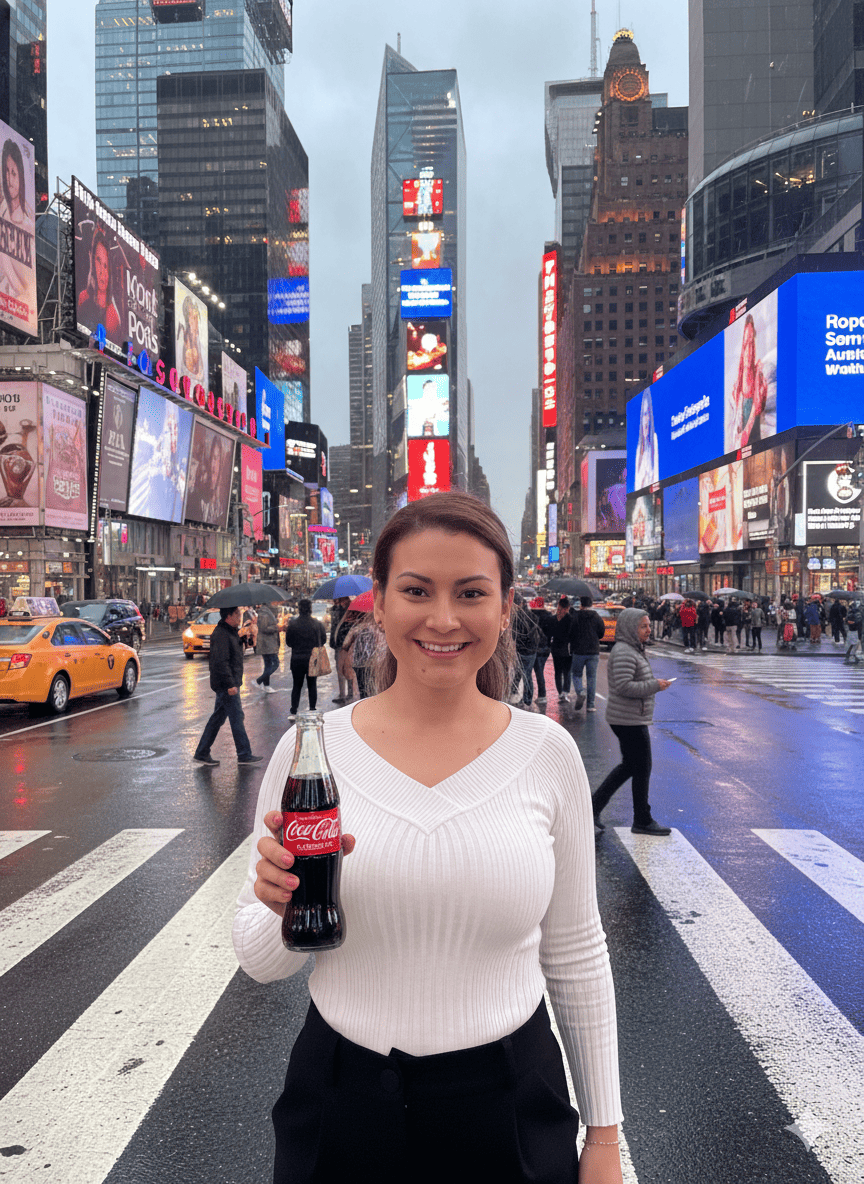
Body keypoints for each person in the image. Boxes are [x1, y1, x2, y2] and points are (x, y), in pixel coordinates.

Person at [233, 491, 624, 1184]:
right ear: (379, 604)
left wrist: (602, 1139)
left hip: (510, 1101)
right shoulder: (313, 753)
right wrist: (275, 901)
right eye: (417, 590)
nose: (444, 619)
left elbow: (577, 952)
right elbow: (266, 964)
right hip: (340, 1099)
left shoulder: (547, 752)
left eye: (471, 593)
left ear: (505, 608)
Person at [592, 609, 673, 837]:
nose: (648, 630)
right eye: (643, 626)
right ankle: (642, 819)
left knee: (631, 766)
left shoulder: (631, 649)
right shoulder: (625, 652)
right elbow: (624, 687)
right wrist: (655, 685)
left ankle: (594, 807)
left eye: (648, 625)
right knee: (641, 767)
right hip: (628, 719)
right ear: (630, 628)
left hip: (630, 717)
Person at [193, 606, 263, 766]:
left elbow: (244, 648)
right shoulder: (221, 634)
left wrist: (250, 635)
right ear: (228, 616)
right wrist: (230, 684)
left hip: (230, 681)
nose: (240, 616)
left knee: (217, 718)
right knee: (237, 717)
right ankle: (244, 754)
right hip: (226, 684)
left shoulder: (232, 631)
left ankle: (202, 752)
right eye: (237, 614)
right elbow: (221, 662)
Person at [283, 598, 327, 719]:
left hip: (297, 658)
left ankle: (293, 711)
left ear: (299, 609)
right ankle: (312, 708)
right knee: (312, 684)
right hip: (313, 658)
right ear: (310, 609)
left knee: (297, 685)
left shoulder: (293, 624)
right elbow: (323, 640)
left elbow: (289, 642)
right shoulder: (317, 624)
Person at [76, 228, 121, 340]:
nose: (102, 271)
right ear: (92, 260)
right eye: (98, 261)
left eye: (106, 266)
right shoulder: (84, 297)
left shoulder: (112, 315)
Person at [570, 596, 605, 713]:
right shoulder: (596, 617)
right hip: (593, 651)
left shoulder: (576, 616)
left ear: (581, 604)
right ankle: (590, 705)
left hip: (579, 651)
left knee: (576, 674)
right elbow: (601, 632)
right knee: (592, 677)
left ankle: (580, 691)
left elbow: (571, 632)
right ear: (591, 604)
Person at [511, 592, 543, 709]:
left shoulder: (516, 617)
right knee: (527, 674)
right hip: (532, 650)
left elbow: (514, 635)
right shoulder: (533, 616)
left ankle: (515, 693)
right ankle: (528, 699)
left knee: (520, 672)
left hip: (521, 650)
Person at [529, 595, 554, 704]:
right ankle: (540, 695)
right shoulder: (549, 616)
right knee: (540, 672)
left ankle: (540, 695)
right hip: (546, 648)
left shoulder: (532, 616)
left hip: (535, 647)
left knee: (531, 673)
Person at [550, 595, 574, 701]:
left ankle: (560, 692)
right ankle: (565, 692)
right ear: (568, 607)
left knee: (558, 672)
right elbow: (573, 634)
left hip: (556, 649)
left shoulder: (554, 618)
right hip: (567, 650)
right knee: (567, 672)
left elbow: (550, 633)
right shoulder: (570, 619)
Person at [634, 387, 658, 489]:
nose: (646, 419)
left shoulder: (654, 441)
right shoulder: (639, 448)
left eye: (648, 414)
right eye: (644, 414)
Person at [254, 600, 281, 693]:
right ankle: (259, 680)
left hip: (268, 643)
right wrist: (276, 627)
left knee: (268, 665)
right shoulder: (264, 613)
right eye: (274, 602)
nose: (276, 603)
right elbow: (264, 628)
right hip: (267, 643)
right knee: (275, 663)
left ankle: (266, 686)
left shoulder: (267, 612)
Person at [329, 596, 352, 702]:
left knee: (347, 669)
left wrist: (343, 609)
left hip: (346, 645)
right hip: (338, 644)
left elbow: (346, 626)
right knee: (340, 670)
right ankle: (343, 694)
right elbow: (334, 626)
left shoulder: (351, 610)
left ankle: (349, 693)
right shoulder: (335, 609)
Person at [844, 600, 861, 664]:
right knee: (854, 644)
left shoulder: (850, 614)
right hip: (855, 631)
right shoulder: (857, 614)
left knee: (852, 644)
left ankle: (850, 655)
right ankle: (851, 655)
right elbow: (857, 623)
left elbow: (846, 622)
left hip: (851, 631)